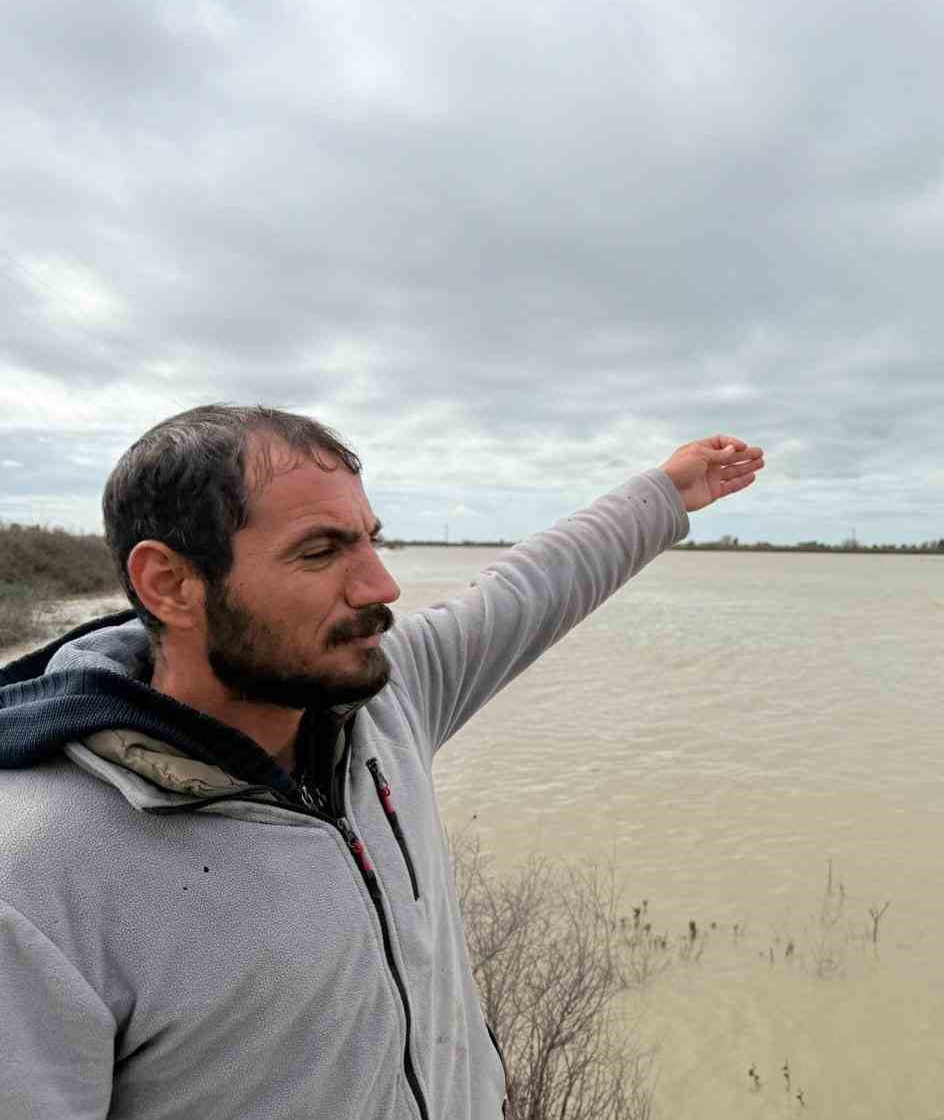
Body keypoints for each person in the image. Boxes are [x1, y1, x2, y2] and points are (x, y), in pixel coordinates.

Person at [0, 404, 763, 1119]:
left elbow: (532, 589)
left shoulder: (384, 702)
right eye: (321, 551)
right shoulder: (37, 874)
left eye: (369, 539)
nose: (380, 585)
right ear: (170, 584)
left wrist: (665, 493)